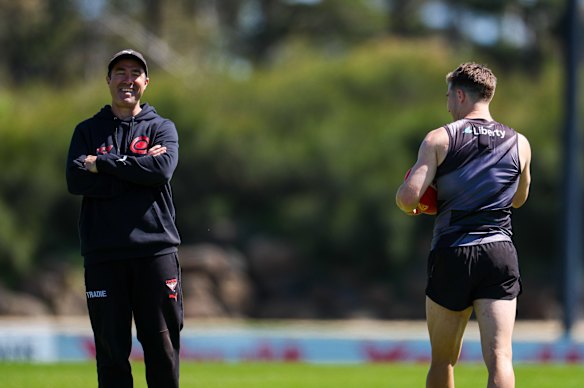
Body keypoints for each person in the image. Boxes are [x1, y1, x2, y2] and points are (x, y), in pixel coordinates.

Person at [396, 62, 531, 388]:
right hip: (499, 253)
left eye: (448, 96)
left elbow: (408, 198)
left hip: (453, 252)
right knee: (500, 357)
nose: (447, 104)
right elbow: (519, 199)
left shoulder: (439, 138)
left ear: (460, 95)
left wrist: (417, 204)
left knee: (443, 359)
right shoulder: (520, 143)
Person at [66, 49, 183, 388]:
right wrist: (137, 169)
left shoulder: (163, 128)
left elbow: (160, 170)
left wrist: (103, 163)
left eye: (135, 72)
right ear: (108, 80)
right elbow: (75, 180)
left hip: (155, 253)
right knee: (111, 353)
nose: (127, 79)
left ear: (146, 82)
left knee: (161, 351)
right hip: (105, 256)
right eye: (120, 72)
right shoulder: (87, 130)